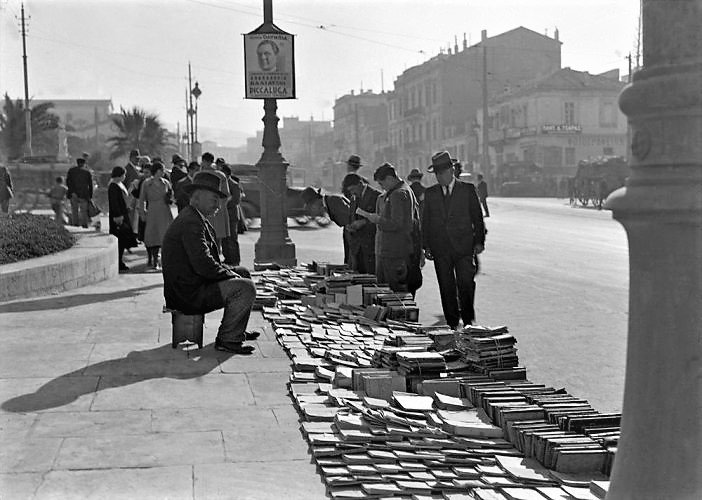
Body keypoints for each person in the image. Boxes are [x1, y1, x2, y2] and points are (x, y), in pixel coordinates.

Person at [162, 171, 259, 354]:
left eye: (218, 200)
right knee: (245, 288)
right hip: (187, 293)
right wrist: (230, 274)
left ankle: (237, 330)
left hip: (192, 283)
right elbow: (203, 264)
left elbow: (205, 263)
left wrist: (231, 272)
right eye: (214, 199)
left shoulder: (195, 217)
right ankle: (228, 339)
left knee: (244, 273)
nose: (218, 205)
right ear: (196, 198)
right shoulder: (191, 222)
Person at [422, 151, 486, 329]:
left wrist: (479, 241)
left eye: (441, 173)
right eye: (436, 174)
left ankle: (467, 320)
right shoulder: (431, 193)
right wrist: (425, 245)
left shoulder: (467, 190)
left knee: (466, 283)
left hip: (464, 247)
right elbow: (426, 221)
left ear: (451, 171)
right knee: (446, 286)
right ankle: (452, 322)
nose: (439, 177)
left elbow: (477, 217)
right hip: (440, 248)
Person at [357, 163, 416, 293]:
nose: (382, 187)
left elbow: (396, 223)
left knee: (393, 293)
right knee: (387, 292)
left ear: (390, 178)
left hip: (394, 252)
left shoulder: (398, 194)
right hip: (389, 251)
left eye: (382, 184)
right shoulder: (398, 191)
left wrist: (375, 219)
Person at [137, 161, 174, 270]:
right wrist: (142, 213)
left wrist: (170, 198)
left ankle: (163, 260)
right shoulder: (147, 183)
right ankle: (154, 260)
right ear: (157, 171)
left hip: (164, 211)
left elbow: (171, 196)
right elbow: (142, 199)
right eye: (161, 170)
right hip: (152, 211)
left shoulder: (166, 183)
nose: (163, 172)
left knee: (164, 236)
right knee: (153, 236)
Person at [342, 173, 380, 274]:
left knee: (371, 280)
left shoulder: (376, 196)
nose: (353, 193)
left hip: (371, 247)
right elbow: (352, 217)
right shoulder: (353, 199)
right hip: (357, 249)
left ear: (360, 184)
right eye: (350, 191)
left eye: (353, 189)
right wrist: (351, 226)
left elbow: (382, 220)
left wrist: (364, 222)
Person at [108, 166, 138, 272]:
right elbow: (114, 203)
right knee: (119, 240)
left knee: (123, 240)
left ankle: (120, 261)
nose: (125, 177)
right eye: (124, 175)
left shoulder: (118, 185)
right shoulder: (113, 186)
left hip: (123, 214)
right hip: (118, 217)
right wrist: (118, 215)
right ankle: (118, 262)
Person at [200, 152, 231, 253]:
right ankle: (216, 258)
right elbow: (226, 194)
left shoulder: (199, 175)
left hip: (203, 209)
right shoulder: (221, 175)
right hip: (218, 208)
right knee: (217, 237)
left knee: (204, 237)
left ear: (204, 161)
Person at [219, 163, 242, 266]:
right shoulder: (222, 184)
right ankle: (227, 258)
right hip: (224, 215)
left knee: (232, 238)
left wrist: (225, 204)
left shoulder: (234, 184)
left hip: (232, 215)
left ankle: (235, 260)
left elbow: (236, 200)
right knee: (225, 238)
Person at [66, 157, 93, 228]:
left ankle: (75, 224)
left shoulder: (71, 171)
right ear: (84, 164)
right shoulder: (87, 172)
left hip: (73, 194)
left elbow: (68, 182)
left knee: (74, 210)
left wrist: (71, 192)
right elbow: (90, 184)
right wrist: (90, 195)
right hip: (84, 194)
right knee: (83, 210)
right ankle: (84, 224)